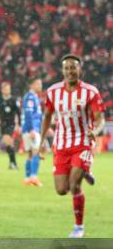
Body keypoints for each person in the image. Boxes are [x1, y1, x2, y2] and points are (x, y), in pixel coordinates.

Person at [39, 54, 104, 238]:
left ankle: (78, 227)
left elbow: (99, 119)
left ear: (79, 69)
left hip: (82, 143)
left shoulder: (90, 92)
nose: (70, 71)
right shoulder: (53, 91)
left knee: (74, 186)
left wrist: (96, 131)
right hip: (61, 144)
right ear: (62, 71)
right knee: (61, 190)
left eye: (73, 68)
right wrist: (42, 141)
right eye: (66, 68)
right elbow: (47, 117)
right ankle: (85, 171)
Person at [21, 78, 44, 187]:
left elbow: (37, 115)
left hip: (30, 128)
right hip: (31, 129)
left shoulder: (34, 97)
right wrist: (31, 129)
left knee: (30, 153)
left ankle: (27, 178)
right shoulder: (30, 97)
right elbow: (28, 114)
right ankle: (34, 177)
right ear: (32, 85)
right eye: (38, 84)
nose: (40, 85)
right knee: (36, 152)